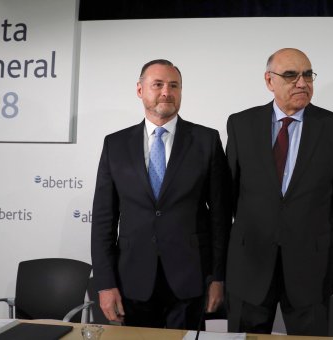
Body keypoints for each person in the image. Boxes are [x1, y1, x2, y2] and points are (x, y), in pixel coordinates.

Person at [91, 59, 231, 329]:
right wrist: (105, 284)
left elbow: (221, 218)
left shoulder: (206, 140)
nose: (167, 92)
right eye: (158, 84)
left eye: (174, 85)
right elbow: (103, 222)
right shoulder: (115, 144)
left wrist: (218, 277)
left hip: (190, 279)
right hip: (133, 280)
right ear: (140, 90)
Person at [225, 48, 333, 336]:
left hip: (310, 266)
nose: (302, 82)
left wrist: (306, 226)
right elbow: (230, 194)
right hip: (250, 265)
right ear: (269, 81)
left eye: (308, 74)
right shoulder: (241, 125)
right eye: (291, 75)